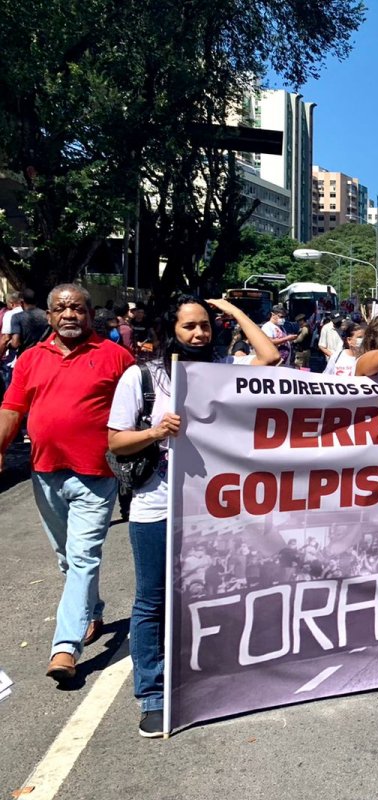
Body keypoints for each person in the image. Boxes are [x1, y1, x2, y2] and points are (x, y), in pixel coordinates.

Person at [107, 296, 279, 738]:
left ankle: (210, 676)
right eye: (189, 327)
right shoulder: (141, 377)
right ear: (171, 330)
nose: (199, 334)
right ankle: (153, 694)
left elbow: (270, 357)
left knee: (215, 591)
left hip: (212, 510)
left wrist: (235, 311)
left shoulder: (222, 371)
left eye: (205, 325)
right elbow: (116, 443)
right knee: (153, 600)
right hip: (156, 507)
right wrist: (154, 431)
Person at [0, 284, 135, 682]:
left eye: (77, 308)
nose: (69, 315)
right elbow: (12, 407)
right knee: (66, 557)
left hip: (96, 475)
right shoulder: (30, 358)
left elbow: (140, 405)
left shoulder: (116, 357)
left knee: (82, 557)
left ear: (91, 315)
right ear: (49, 316)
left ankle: (65, 647)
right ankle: (91, 612)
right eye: (61, 309)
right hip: (45, 474)